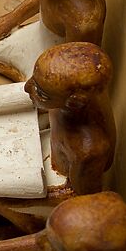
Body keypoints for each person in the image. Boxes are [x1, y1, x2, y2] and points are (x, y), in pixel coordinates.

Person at [25, 43, 115, 197]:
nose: (26, 87)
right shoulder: (61, 99)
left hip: (58, 178)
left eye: (40, 92)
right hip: (49, 150)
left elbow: (83, 197)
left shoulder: (88, 151)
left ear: (75, 102)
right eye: (33, 79)